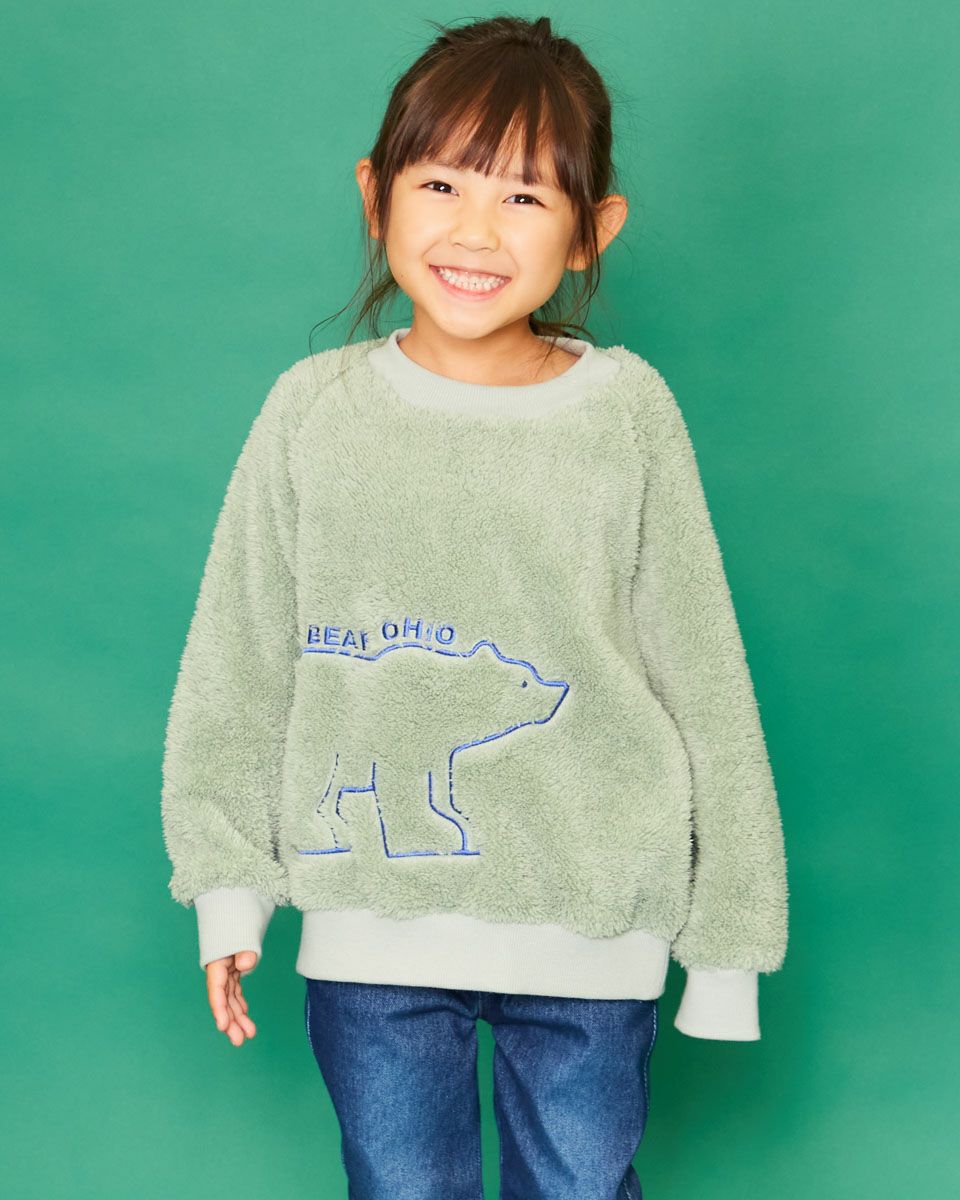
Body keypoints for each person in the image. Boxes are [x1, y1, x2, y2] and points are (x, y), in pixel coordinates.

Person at [160, 14, 789, 1200]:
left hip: (594, 917)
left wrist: (728, 949)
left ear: (593, 230)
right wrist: (228, 886)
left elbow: (702, 671)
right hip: (371, 919)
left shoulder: (627, 416)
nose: (474, 231)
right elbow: (238, 659)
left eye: (524, 197)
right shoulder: (312, 412)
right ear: (376, 195)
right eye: (442, 183)